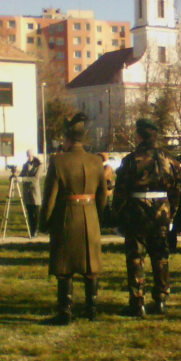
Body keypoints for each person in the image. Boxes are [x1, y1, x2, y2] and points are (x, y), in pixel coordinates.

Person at [39, 113, 108, 325]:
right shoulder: (97, 161)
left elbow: (50, 196)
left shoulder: (58, 162)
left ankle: (65, 312)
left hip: (66, 217)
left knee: (64, 267)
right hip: (91, 216)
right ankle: (92, 309)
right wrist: (101, 218)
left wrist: (44, 222)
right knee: (91, 266)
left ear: (68, 140)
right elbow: (103, 195)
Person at [113, 119, 181, 317]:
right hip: (162, 212)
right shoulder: (169, 159)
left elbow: (121, 191)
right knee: (160, 256)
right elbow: (176, 190)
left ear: (140, 136)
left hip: (137, 212)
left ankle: (137, 302)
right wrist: (172, 215)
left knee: (136, 257)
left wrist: (117, 215)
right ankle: (161, 299)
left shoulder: (132, 159)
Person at [19, 149, 43, 237]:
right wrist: (16, 177)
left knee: (36, 212)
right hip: (27, 192)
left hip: (35, 191)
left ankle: (37, 229)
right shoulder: (25, 165)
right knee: (29, 212)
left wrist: (23, 179)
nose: (29, 157)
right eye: (27, 155)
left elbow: (35, 178)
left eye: (30, 155)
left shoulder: (39, 165)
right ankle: (32, 231)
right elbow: (22, 175)